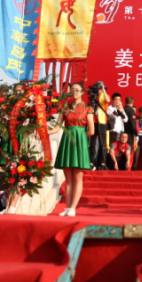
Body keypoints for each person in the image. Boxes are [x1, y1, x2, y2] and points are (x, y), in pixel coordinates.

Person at [54, 82, 95, 217]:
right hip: (67, 140)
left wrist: (80, 138)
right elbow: (56, 127)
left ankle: (73, 207)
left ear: (83, 92)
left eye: (77, 90)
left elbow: (91, 131)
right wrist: (43, 131)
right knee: (68, 178)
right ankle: (67, 207)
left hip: (79, 142)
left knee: (78, 177)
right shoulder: (65, 108)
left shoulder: (87, 108)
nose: (75, 92)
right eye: (72, 90)